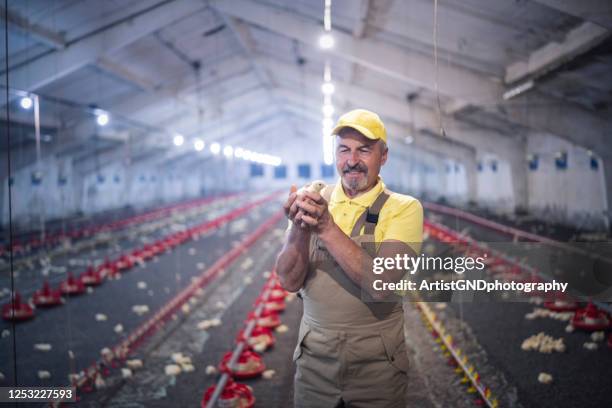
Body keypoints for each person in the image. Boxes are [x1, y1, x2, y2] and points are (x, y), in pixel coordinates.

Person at [275, 109, 424, 407]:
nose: (352, 160)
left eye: (364, 150)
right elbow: (289, 280)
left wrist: (326, 227)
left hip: (377, 367)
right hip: (315, 363)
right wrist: (299, 230)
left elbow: (382, 283)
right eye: (344, 150)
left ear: (383, 156)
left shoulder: (403, 208)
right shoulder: (314, 200)